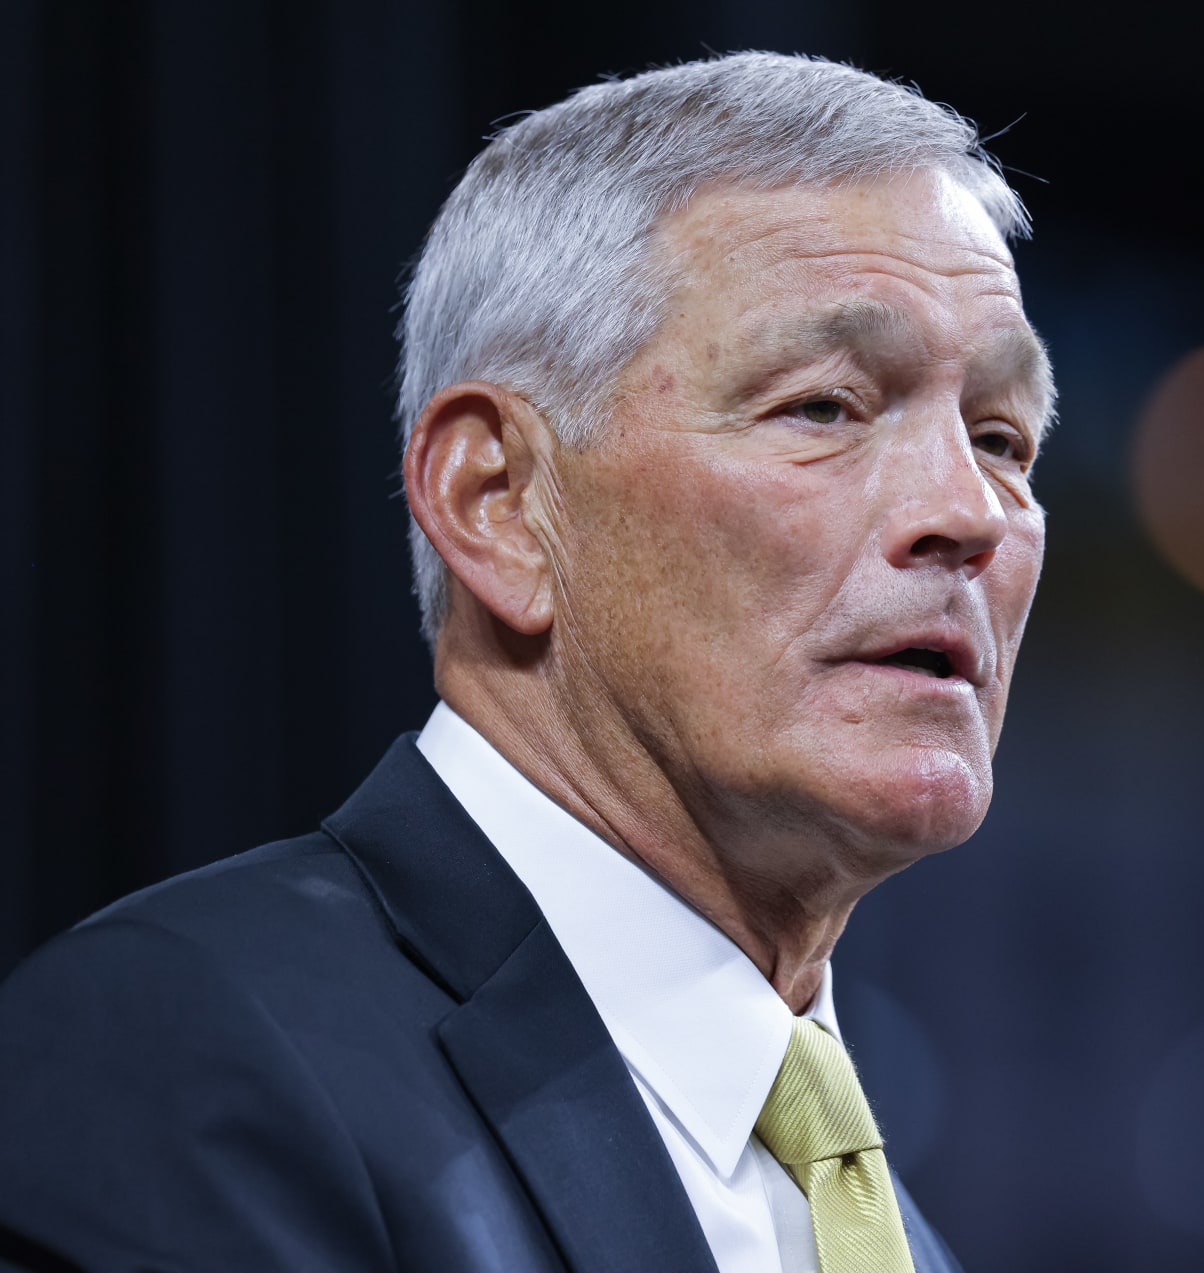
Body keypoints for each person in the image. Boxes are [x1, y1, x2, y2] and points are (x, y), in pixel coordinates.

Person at [0, 51, 1053, 1273]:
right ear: (498, 501)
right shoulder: (185, 1057)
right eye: (823, 406)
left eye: (1000, 435)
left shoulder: (881, 1226)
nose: (969, 509)